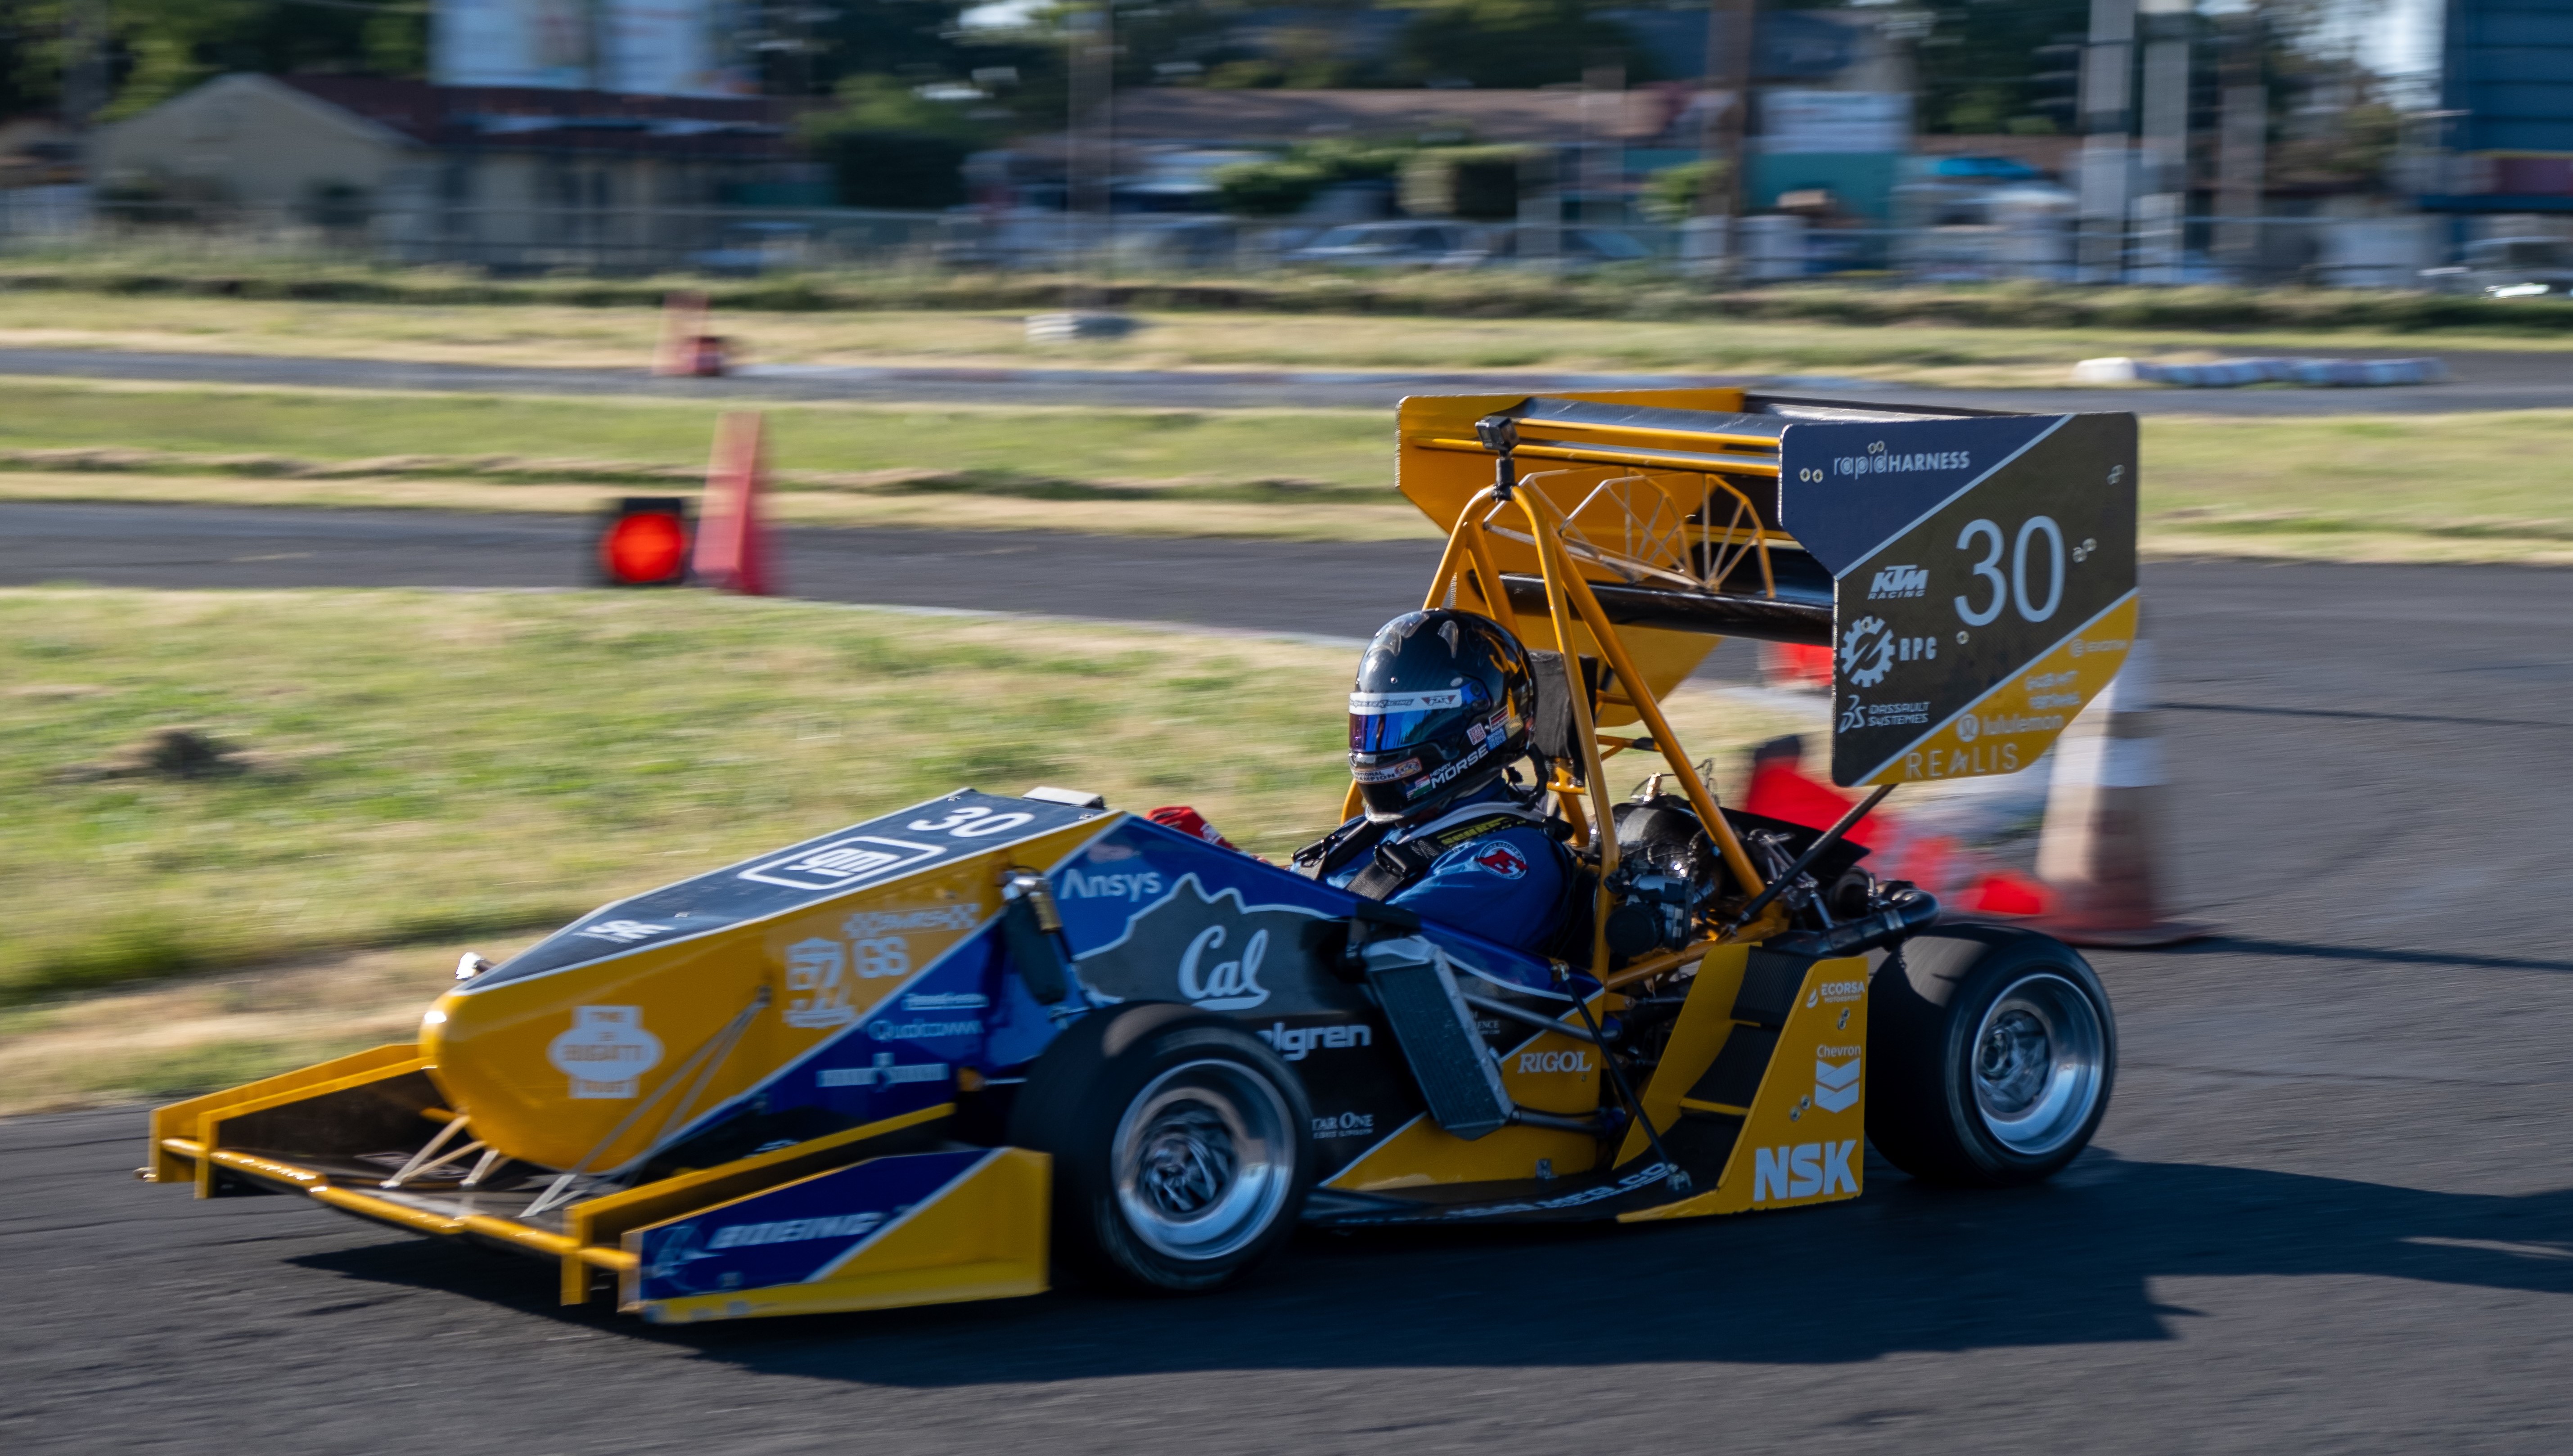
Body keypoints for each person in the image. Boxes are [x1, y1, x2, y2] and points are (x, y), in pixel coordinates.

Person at [1285, 608, 1575, 955]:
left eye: (1401, 728)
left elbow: (1374, 949)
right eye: (1371, 727)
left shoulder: (1508, 858)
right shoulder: (1373, 830)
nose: (1376, 746)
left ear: (1469, 733)